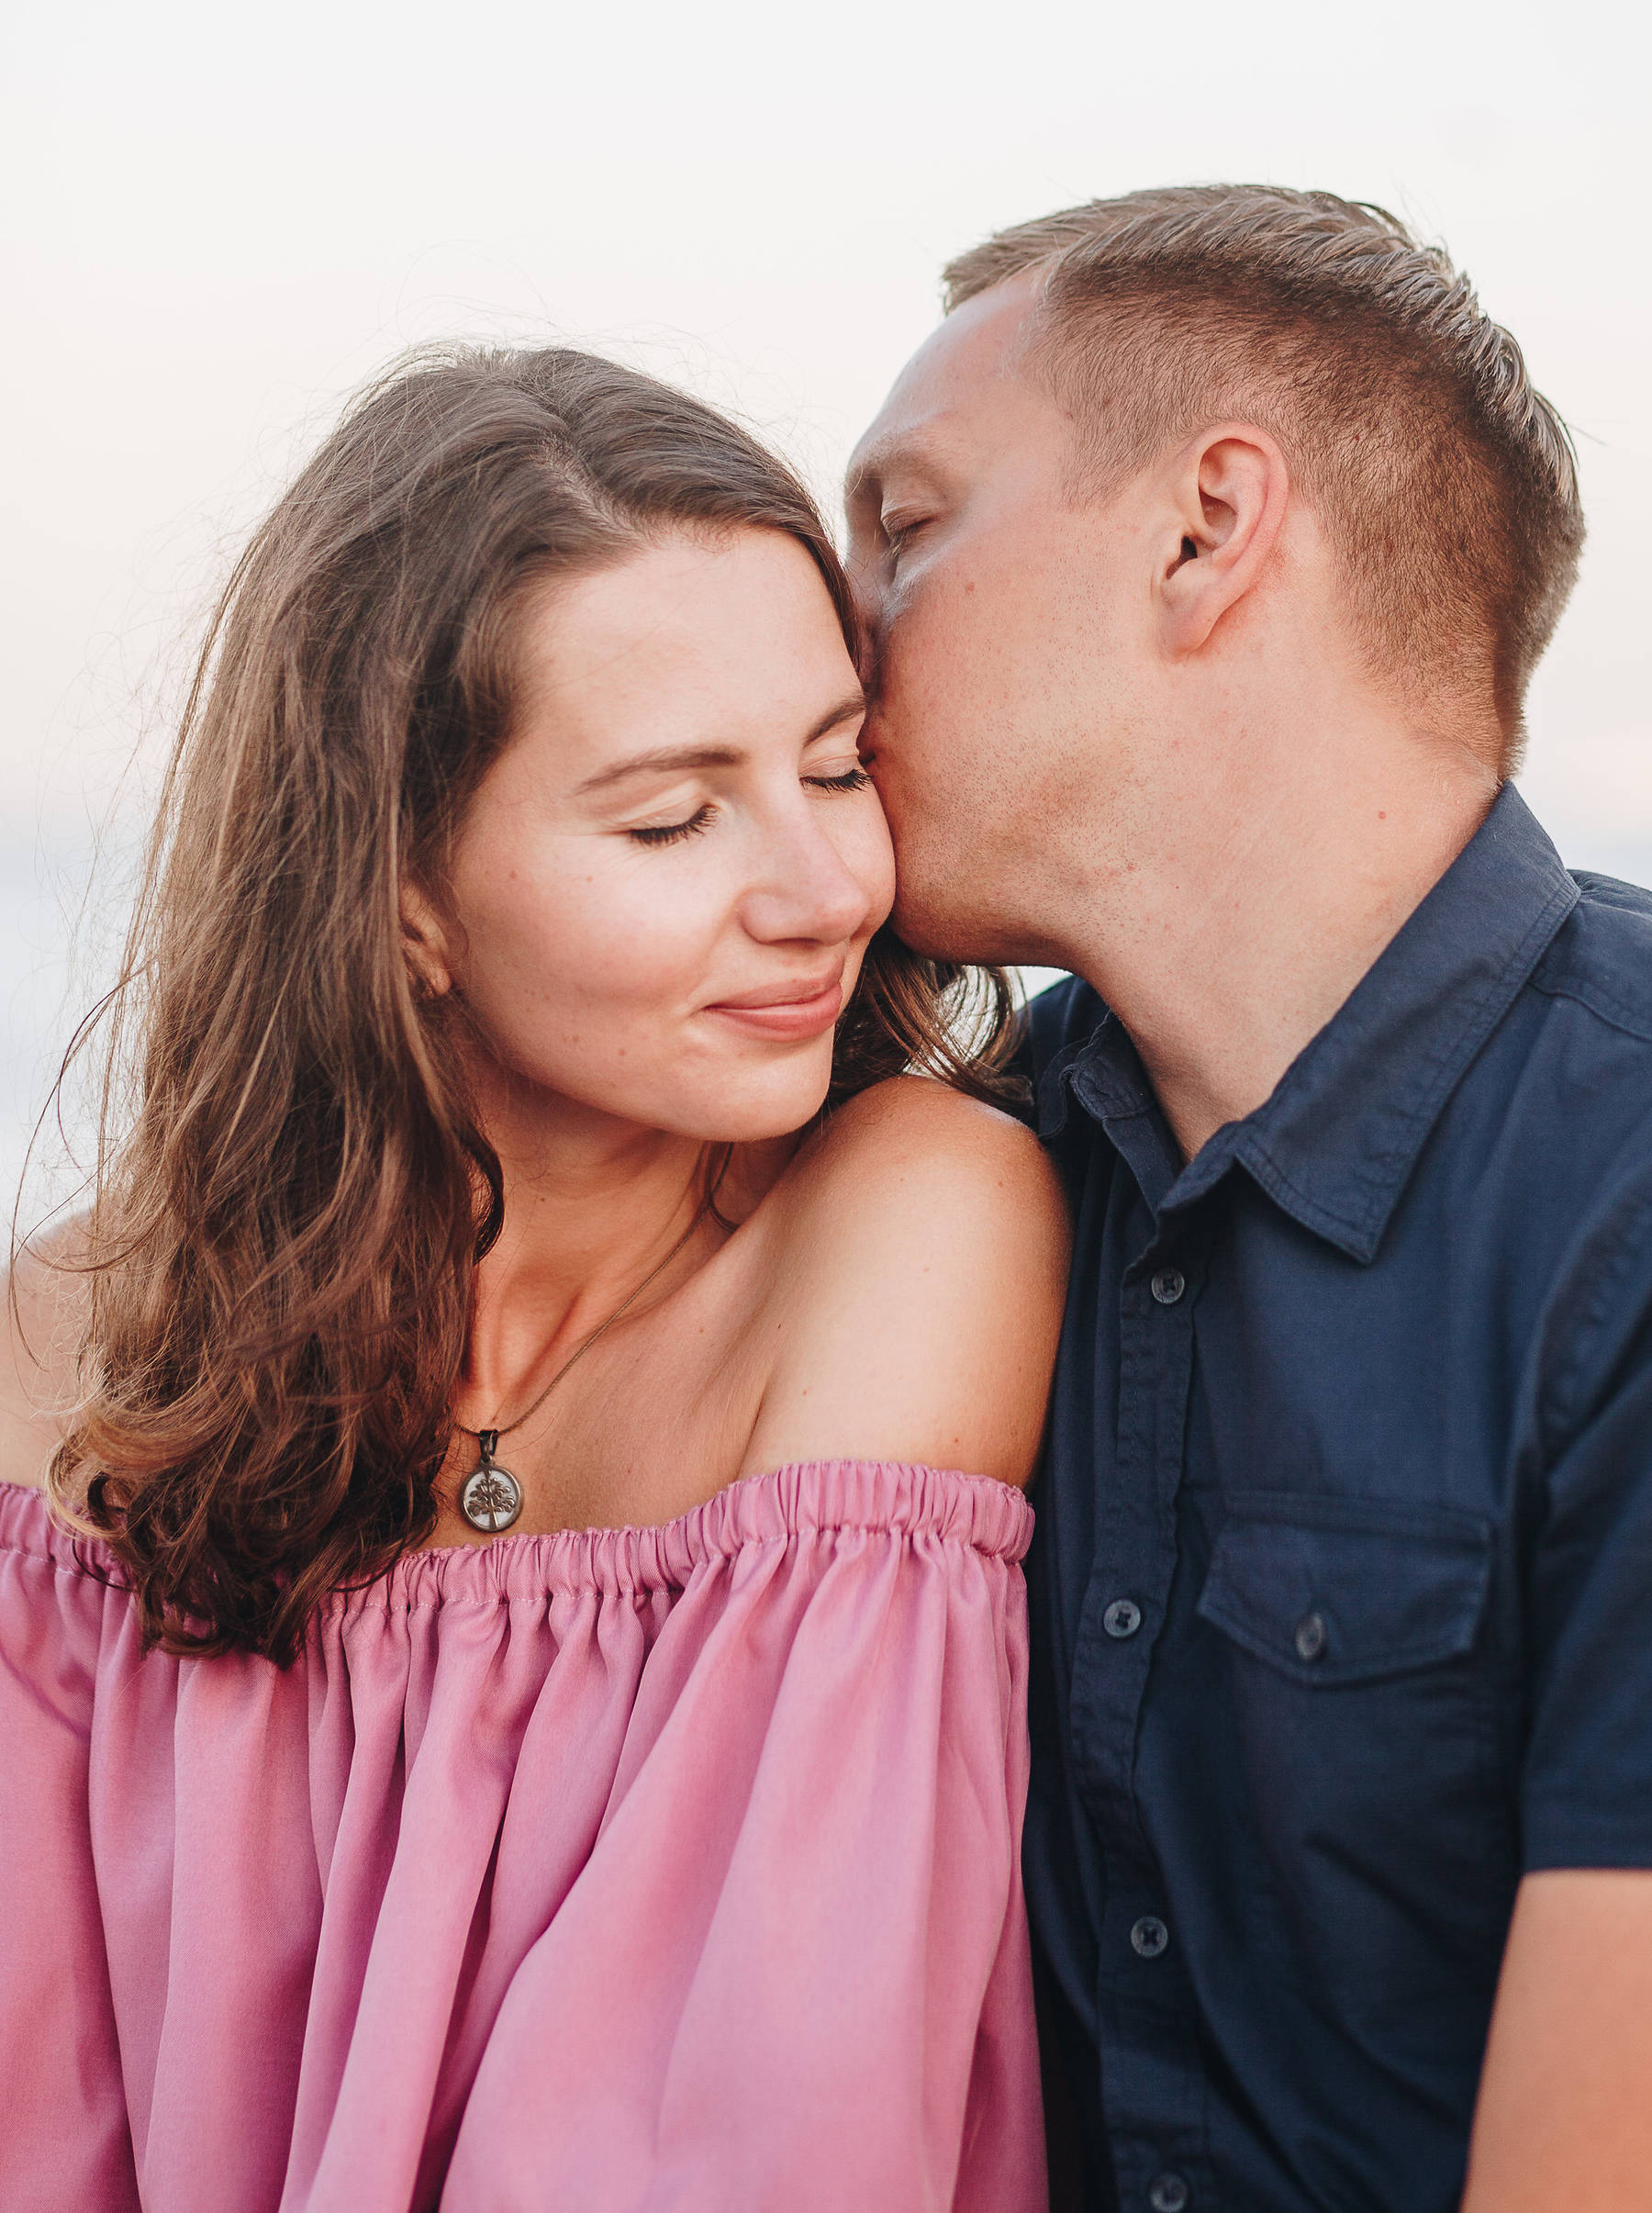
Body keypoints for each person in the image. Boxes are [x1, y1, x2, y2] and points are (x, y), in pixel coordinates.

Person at [0, 348, 1070, 2212]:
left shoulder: (908, 1221)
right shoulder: (60, 1344)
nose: (825, 889)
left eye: (837, 765)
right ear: (399, 887)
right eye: (673, 818)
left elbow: (776, 2123)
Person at [843, 182, 1652, 2213]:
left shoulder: (1624, 1197)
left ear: (1208, 530)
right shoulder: (949, 1184)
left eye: (907, 527)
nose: (825, 640)